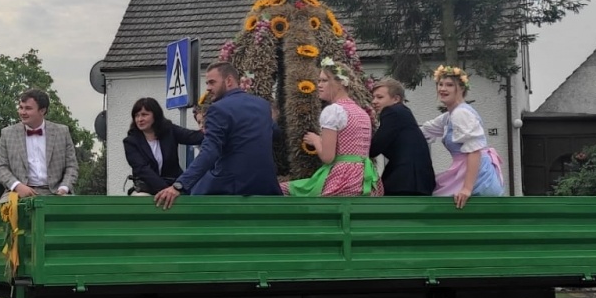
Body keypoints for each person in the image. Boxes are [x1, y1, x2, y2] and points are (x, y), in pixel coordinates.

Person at [154, 62, 280, 208]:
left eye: (212, 82)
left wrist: (179, 185)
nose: (208, 88)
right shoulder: (262, 105)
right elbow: (274, 132)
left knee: (190, 197)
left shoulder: (218, 109)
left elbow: (210, 151)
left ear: (229, 81)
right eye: (207, 83)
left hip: (231, 185)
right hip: (266, 184)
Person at [283, 60, 374, 197]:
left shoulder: (334, 111)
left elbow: (327, 157)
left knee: (283, 189)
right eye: (318, 81)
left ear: (339, 84)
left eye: (324, 81)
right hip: (364, 178)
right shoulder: (361, 112)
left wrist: (316, 140)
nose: (318, 85)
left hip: (342, 179)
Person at [420, 65, 505, 207]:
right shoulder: (449, 116)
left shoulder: (461, 113)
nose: (442, 89)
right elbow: (424, 130)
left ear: (461, 88)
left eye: (449, 85)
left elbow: (474, 151)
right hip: (464, 170)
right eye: (440, 84)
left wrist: (467, 188)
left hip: (476, 174)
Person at [0, 88, 79, 200]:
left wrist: (64, 188)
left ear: (42, 111)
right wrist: (17, 186)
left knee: (76, 215)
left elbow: (71, 166)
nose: (22, 112)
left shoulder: (62, 132)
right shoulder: (7, 133)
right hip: (17, 192)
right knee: (0, 215)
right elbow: (1, 167)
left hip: (55, 192)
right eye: (21, 107)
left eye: (28, 108)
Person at [369, 76, 436, 196]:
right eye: (373, 97)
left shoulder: (392, 112)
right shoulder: (403, 112)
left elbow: (375, 147)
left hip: (405, 181)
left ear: (396, 99)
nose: (374, 101)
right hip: (418, 180)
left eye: (380, 97)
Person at [122, 97, 204, 194]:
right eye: (136, 116)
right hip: (147, 189)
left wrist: (214, 130)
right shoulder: (131, 142)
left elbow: (192, 137)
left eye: (144, 115)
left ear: (155, 116)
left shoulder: (169, 131)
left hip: (173, 186)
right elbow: (142, 170)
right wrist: (166, 190)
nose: (139, 119)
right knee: (141, 198)